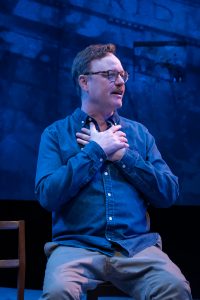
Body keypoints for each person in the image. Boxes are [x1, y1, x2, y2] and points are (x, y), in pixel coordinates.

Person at [35, 43, 192, 300]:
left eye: (122, 75)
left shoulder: (139, 134)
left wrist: (122, 156)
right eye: (110, 75)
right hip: (76, 245)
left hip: (136, 247)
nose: (120, 82)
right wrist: (96, 151)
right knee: (58, 292)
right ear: (84, 82)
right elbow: (47, 196)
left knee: (174, 288)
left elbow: (168, 193)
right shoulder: (55, 134)